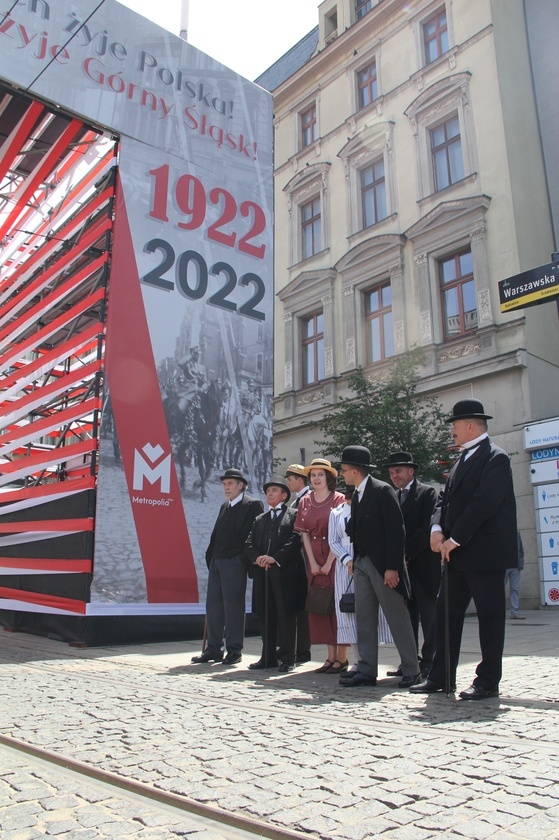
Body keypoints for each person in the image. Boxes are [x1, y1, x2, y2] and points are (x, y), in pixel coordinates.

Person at [411, 399, 518, 700]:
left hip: (483, 555)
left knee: (490, 619)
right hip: (455, 555)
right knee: (446, 615)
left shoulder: (496, 458)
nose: (452, 432)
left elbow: (484, 504)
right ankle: (441, 676)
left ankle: (487, 681)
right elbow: (443, 500)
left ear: (471, 425)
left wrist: (453, 538)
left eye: (455, 426)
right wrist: (436, 529)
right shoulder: (460, 460)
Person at [339, 445, 420, 688]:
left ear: (355, 471)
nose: (341, 474)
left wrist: (393, 567)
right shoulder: (358, 494)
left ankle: (411, 669)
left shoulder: (382, 490)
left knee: (397, 616)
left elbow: (397, 531)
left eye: (343, 470)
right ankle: (366, 669)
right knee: (364, 617)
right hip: (363, 561)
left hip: (383, 565)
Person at [192, 468, 263, 665]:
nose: (226, 487)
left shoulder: (252, 505)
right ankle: (213, 649)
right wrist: (212, 557)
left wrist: (242, 559)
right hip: (217, 560)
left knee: (233, 607)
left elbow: (253, 534)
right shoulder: (225, 506)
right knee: (213, 606)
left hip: (235, 562)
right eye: (224, 484)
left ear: (241, 485)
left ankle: (234, 649)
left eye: (230, 483)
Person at [383, 451, 440, 678]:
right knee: (407, 618)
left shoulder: (427, 493)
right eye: (391, 472)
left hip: (423, 565)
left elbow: (428, 526)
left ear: (411, 471)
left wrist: (406, 553)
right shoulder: (393, 497)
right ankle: (410, 661)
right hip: (402, 568)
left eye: (398, 471)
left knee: (428, 616)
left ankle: (430, 661)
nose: (394, 476)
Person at [327, 483, 393, 673]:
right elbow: (333, 540)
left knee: (369, 610)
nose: (348, 497)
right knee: (349, 610)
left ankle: (371, 660)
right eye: (346, 494)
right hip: (344, 564)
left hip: (366, 558)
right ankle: (357, 661)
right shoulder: (336, 513)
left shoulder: (367, 508)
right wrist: (347, 559)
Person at [244, 477, 307, 672]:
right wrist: (259, 558)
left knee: (286, 614)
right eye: (267, 491)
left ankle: (288, 657)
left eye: (274, 490)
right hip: (263, 574)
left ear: (284, 495)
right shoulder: (260, 519)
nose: (269, 493)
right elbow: (248, 543)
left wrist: (275, 558)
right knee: (265, 614)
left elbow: (295, 540)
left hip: (285, 574)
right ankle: (268, 657)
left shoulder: (294, 515)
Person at [294, 458, 345, 673]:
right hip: (314, 559)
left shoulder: (339, 499)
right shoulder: (305, 501)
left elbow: (342, 533)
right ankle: (329, 656)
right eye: (313, 475)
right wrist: (313, 563)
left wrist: (329, 562)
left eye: (320, 475)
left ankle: (342, 658)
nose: (316, 479)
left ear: (328, 478)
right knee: (319, 606)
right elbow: (304, 533)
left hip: (336, 558)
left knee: (338, 607)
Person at [285, 464, 312, 665]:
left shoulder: (307, 499)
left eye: (290, 478)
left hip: (305, 556)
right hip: (295, 558)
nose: (288, 482)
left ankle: (303, 649)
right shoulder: (296, 500)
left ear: (300, 479)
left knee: (303, 605)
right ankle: (297, 648)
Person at [506, 532, 525, 619]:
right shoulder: (501, 532)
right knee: (499, 589)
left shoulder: (516, 533)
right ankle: (498, 612)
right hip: (504, 566)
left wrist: (520, 563)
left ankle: (514, 612)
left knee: (515, 589)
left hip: (515, 566)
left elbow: (521, 549)